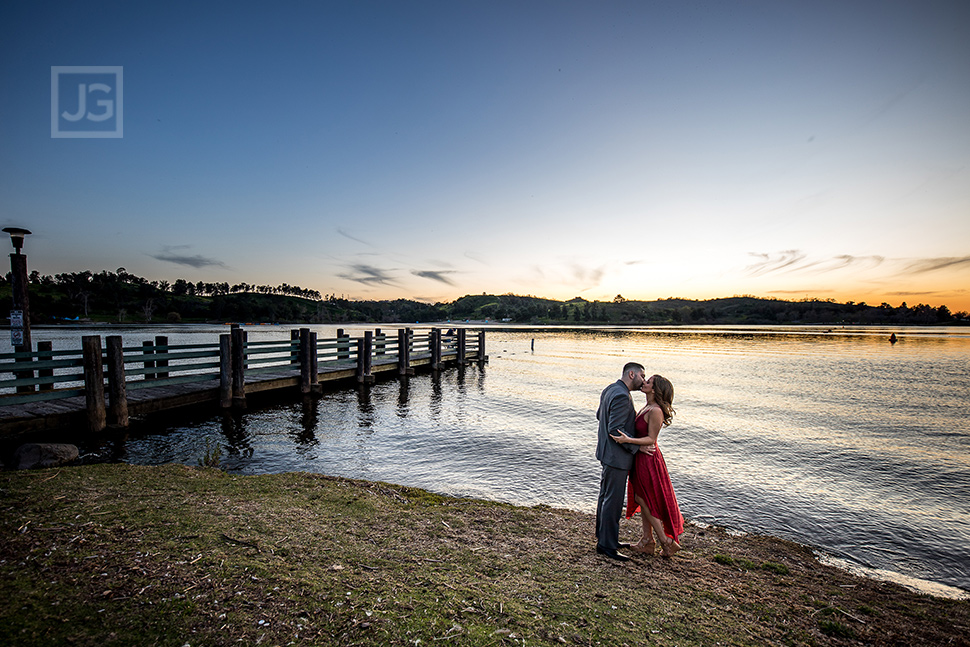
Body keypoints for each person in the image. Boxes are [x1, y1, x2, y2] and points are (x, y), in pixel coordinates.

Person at [611, 374, 683, 557]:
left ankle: (666, 541)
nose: (644, 382)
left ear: (655, 389)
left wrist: (628, 440)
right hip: (641, 456)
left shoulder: (656, 410)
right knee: (641, 497)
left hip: (649, 459)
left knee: (643, 498)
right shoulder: (647, 407)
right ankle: (647, 541)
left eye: (648, 382)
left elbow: (651, 439)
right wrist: (635, 445)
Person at [595, 362, 651, 561]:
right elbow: (614, 429)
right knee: (613, 501)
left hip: (606, 453)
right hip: (616, 457)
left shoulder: (610, 389)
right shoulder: (620, 395)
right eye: (642, 376)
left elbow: (599, 415)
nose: (644, 380)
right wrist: (637, 446)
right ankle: (607, 545)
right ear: (631, 373)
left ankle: (604, 538)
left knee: (605, 497)